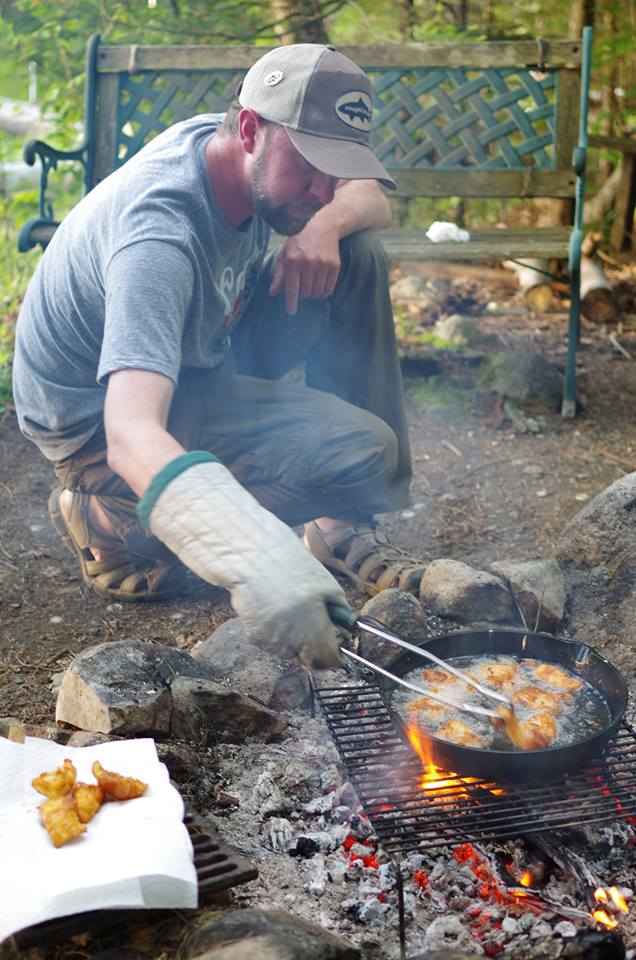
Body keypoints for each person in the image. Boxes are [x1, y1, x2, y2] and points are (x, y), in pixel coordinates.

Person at [13, 43, 426, 670]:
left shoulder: (244, 155)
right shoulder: (160, 234)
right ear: (251, 129)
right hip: (100, 421)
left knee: (359, 252)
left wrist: (324, 225)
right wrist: (257, 556)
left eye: (334, 168)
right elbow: (131, 431)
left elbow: (370, 197)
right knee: (359, 449)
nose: (323, 189)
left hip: (202, 352)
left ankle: (340, 525)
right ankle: (104, 515)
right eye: (310, 166)